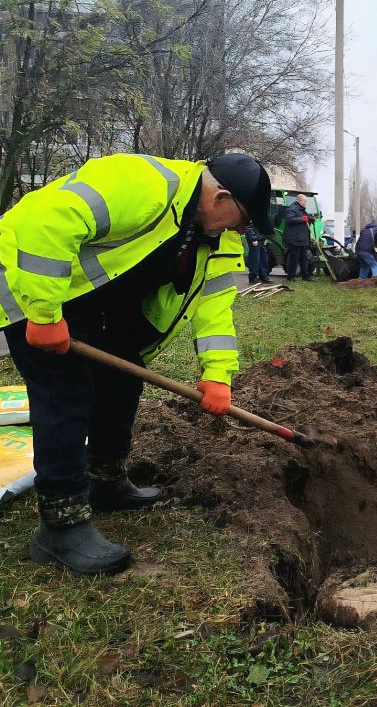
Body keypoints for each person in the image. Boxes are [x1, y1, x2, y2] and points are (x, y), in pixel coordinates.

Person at [0, 152, 272, 576]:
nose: (240, 229)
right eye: (240, 218)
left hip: (91, 305)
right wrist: (43, 312)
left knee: (122, 377)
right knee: (66, 394)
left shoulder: (217, 239)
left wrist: (217, 375)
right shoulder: (144, 184)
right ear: (219, 197)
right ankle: (61, 525)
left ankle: (105, 480)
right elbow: (45, 221)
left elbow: (216, 310)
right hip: (30, 290)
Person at [284, 194, 313, 281]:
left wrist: (310, 219)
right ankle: (291, 277)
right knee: (294, 259)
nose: (306, 203)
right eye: (305, 201)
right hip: (294, 239)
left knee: (304, 259)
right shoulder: (291, 208)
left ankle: (305, 276)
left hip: (302, 238)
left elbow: (303, 219)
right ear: (300, 201)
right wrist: (303, 219)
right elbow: (289, 220)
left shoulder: (301, 210)